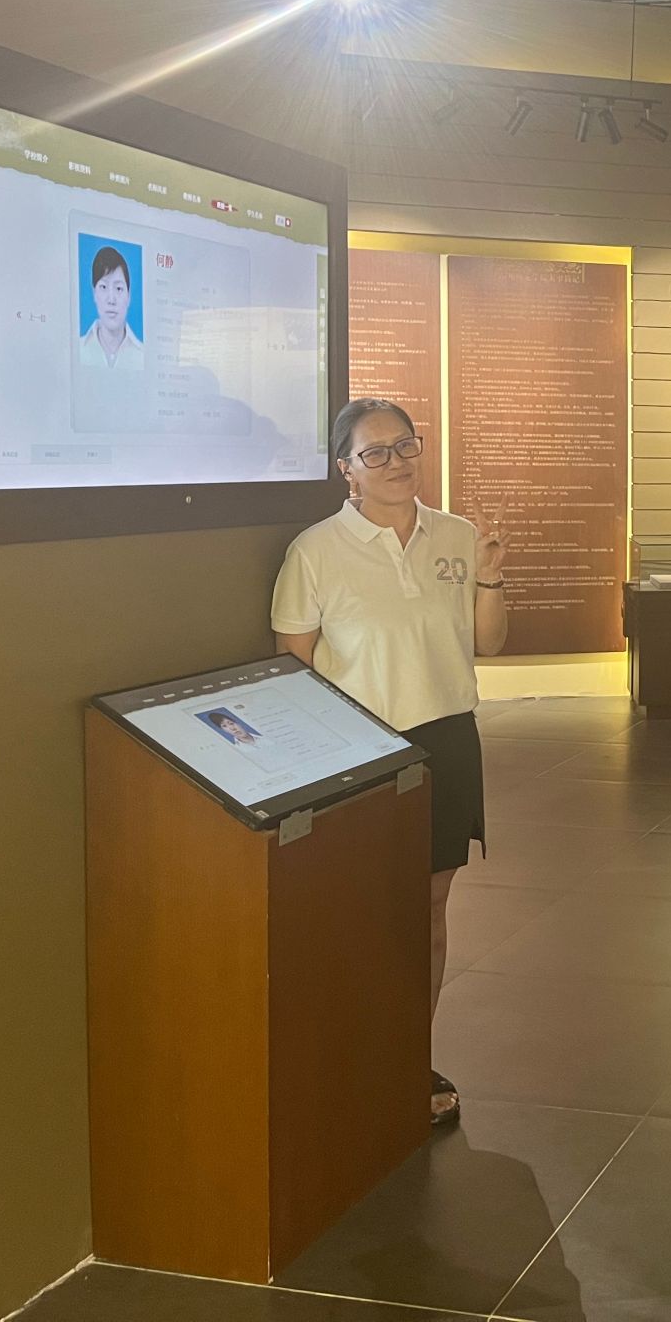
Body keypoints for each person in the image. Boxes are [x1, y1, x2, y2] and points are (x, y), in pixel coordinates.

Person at [271, 398, 509, 1129]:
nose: (395, 462)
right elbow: (294, 665)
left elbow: (489, 643)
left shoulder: (457, 535)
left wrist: (490, 578)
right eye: (374, 452)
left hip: (448, 740)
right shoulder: (315, 551)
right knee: (366, 911)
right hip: (361, 750)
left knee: (429, 908)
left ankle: (409, 1052)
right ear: (346, 468)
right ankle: (355, 1053)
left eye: (405, 445)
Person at [78, 244, 144, 370]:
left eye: (118, 288)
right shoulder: (78, 349)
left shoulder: (143, 356)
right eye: (103, 287)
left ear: (128, 296)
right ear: (94, 293)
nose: (111, 300)